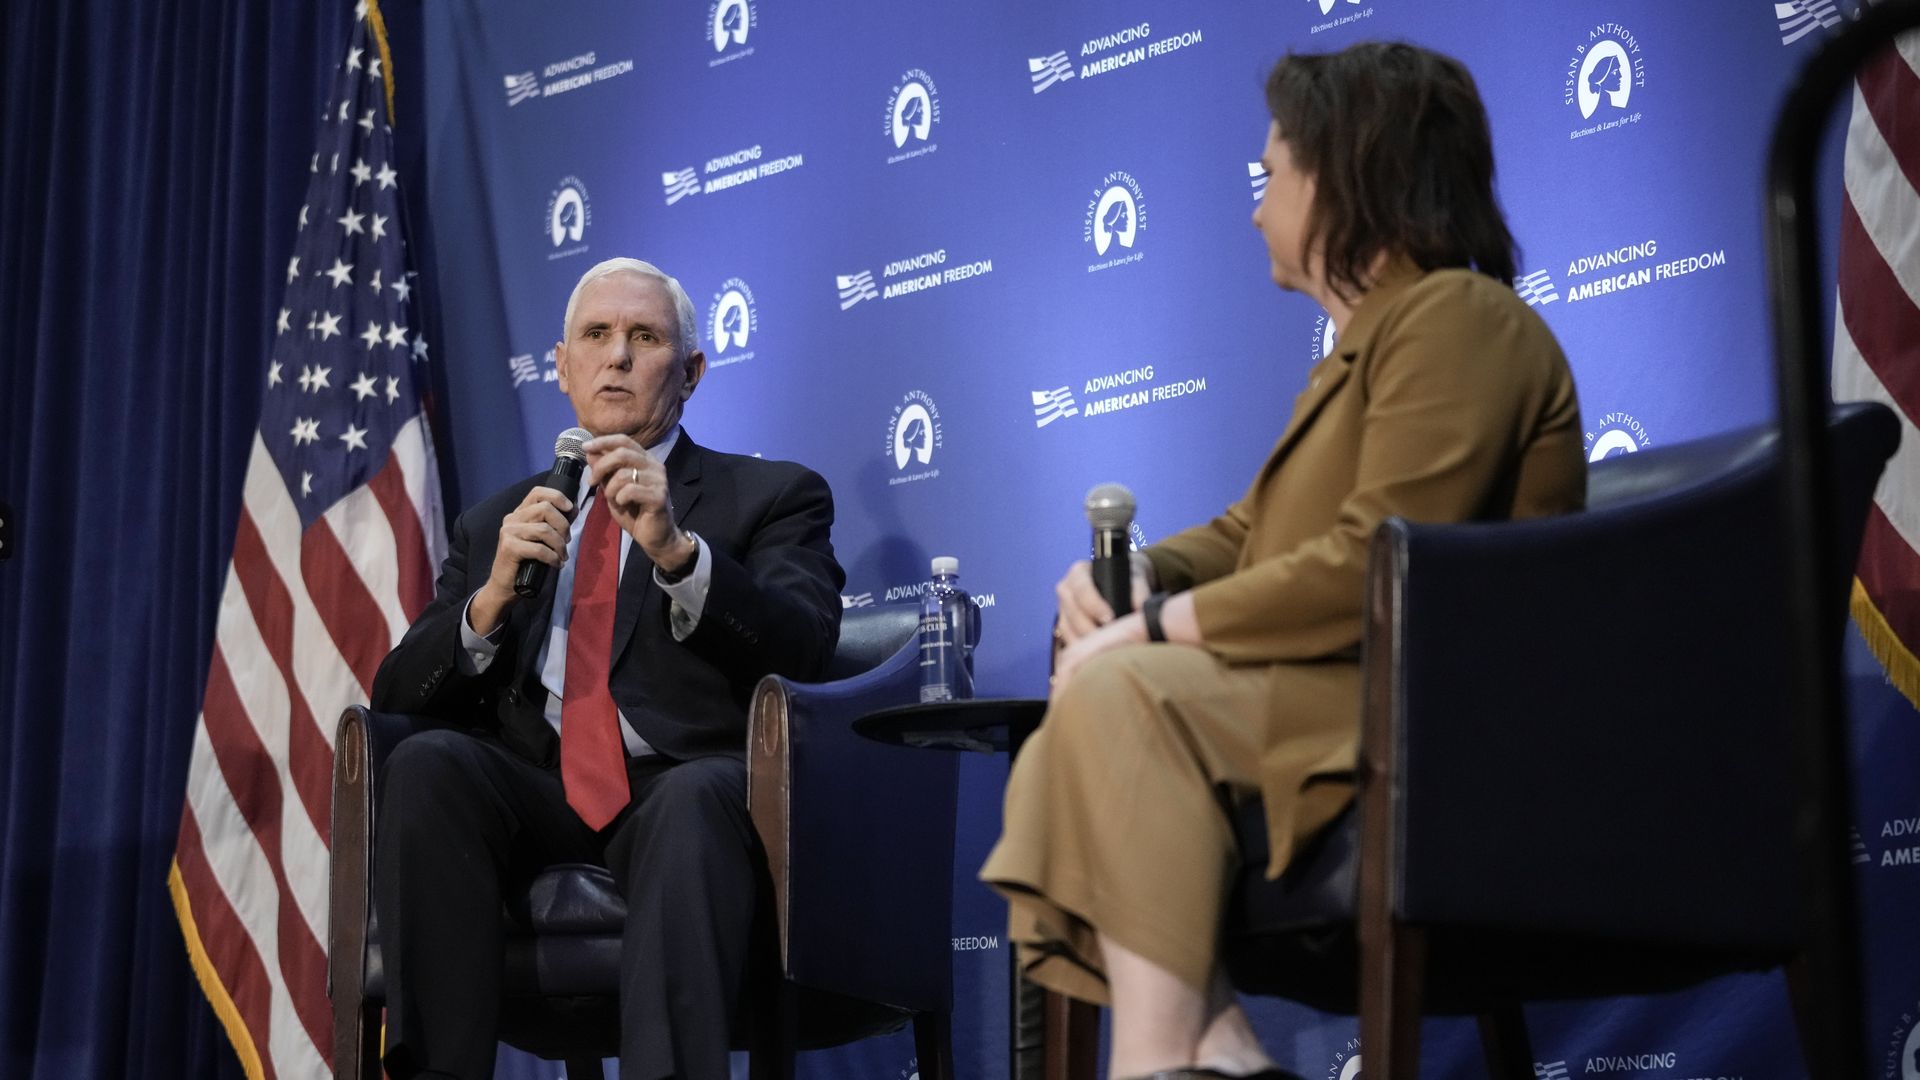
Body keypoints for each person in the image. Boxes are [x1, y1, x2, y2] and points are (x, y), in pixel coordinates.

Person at [980, 42, 1585, 1080]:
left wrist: (1149, 630)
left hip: (1431, 730)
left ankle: (1174, 1055)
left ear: (1350, 176)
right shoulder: (1357, 353)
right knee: (1063, 736)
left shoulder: (1459, 318)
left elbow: (1374, 562)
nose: (1256, 207)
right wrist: (1138, 578)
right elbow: (1247, 537)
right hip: (1332, 709)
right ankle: (1215, 1051)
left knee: (1118, 692)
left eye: (1273, 176)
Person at [369, 257, 844, 1080]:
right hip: (541, 790)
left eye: (644, 337)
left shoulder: (771, 496)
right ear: (561, 367)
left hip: (683, 786)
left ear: (691, 372)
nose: (617, 356)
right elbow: (397, 691)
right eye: (596, 336)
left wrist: (676, 552)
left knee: (695, 797)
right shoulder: (497, 522)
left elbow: (803, 645)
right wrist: (487, 604)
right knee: (426, 764)